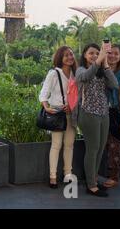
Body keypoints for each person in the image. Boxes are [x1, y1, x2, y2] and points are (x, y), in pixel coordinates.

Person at [72, 43, 118, 197]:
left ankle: (93, 178)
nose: (94, 55)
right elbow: (84, 78)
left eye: (97, 53)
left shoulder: (102, 71)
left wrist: (105, 65)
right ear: (85, 55)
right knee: (92, 149)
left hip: (104, 114)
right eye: (91, 53)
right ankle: (91, 185)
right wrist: (99, 61)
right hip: (88, 113)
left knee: (99, 149)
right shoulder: (81, 70)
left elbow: (114, 84)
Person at [39, 46, 77, 189]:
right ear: (60, 57)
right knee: (56, 145)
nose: (69, 57)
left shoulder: (75, 73)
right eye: (66, 55)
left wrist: (72, 106)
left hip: (71, 114)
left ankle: (68, 174)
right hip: (57, 114)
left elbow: (78, 94)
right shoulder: (54, 73)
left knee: (69, 145)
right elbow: (44, 92)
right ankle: (53, 176)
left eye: (71, 54)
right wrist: (46, 106)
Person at [103, 44, 120, 188]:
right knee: (102, 144)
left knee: (114, 145)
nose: (112, 56)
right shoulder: (101, 70)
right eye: (110, 53)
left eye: (116, 54)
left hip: (115, 113)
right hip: (100, 112)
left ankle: (114, 177)